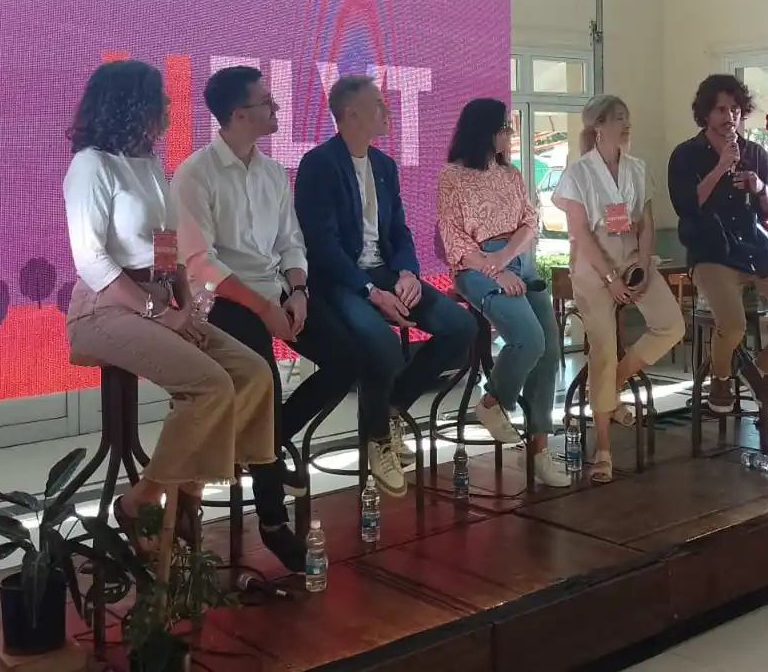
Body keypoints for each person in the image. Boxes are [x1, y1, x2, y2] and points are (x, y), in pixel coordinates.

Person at [62, 59, 275, 558]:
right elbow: (92, 262)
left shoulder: (150, 162)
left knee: (253, 372)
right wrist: (163, 316)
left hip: (155, 302)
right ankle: (146, 500)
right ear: (132, 104)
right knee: (211, 385)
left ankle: (187, 491)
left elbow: (167, 244)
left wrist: (184, 306)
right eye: (162, 98)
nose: (169, 108)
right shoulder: (91, 164)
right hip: (103, 310)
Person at [172, 65, 362, 568]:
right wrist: (264, 309)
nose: (277, 109)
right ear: (239, 113)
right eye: (268, 103)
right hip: (227, 304)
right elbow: (202, 264)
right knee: (265, 384)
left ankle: (268, 444)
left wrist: (297, 292)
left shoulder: (274, 171)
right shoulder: (196, 174)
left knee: (347, 358)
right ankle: (274, 522)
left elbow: (289, 242)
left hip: (279, 292)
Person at [294, 74, 478, 497]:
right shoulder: (319, 164)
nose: (388, 111)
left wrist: (408, 272)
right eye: (379, 104)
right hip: (340, 282)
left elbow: (399, 229)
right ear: (352, 114)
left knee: (459, 327)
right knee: (381, 344)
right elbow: (320, 245)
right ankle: (375, 439)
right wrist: (369, 292)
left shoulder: (384, 165)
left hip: (387, 274)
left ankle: (392, 409)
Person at [668, 74, 768, 414]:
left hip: (754, 249)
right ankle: (721, 379)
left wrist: (760, 189)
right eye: (721, 109)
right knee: (733, 324)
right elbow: (686, 207)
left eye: (735, 109)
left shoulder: (755, 153)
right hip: (710, 251)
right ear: (706, 114)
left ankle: (759, 371)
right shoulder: (686, 154)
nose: (729, 117)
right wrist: (721, 164)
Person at [436, 98, 569, 487]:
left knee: (550, 352)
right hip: (476, 265)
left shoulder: (510, 174)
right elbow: (454, 238)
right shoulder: (452, 176)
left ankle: (540, 449)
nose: (510, 135)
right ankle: (493, 401)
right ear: (485, 130)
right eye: (505, 128)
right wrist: (494, 270)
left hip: (518, 260)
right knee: (528, 339)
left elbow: (531, 219)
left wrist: (510, 257)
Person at [552, 94, 684, 484]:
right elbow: (580, 234)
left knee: (671, 324)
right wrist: (610, 280)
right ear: (598, 126)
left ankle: (613, 386)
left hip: (632, 257)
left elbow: (645, 222)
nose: (626, 126)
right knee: (603, 350)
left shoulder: (637, 168)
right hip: (594, 266)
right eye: (618, 119)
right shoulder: (578, 173)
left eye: (628, 119)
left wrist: (643, 266)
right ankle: (604, 449)